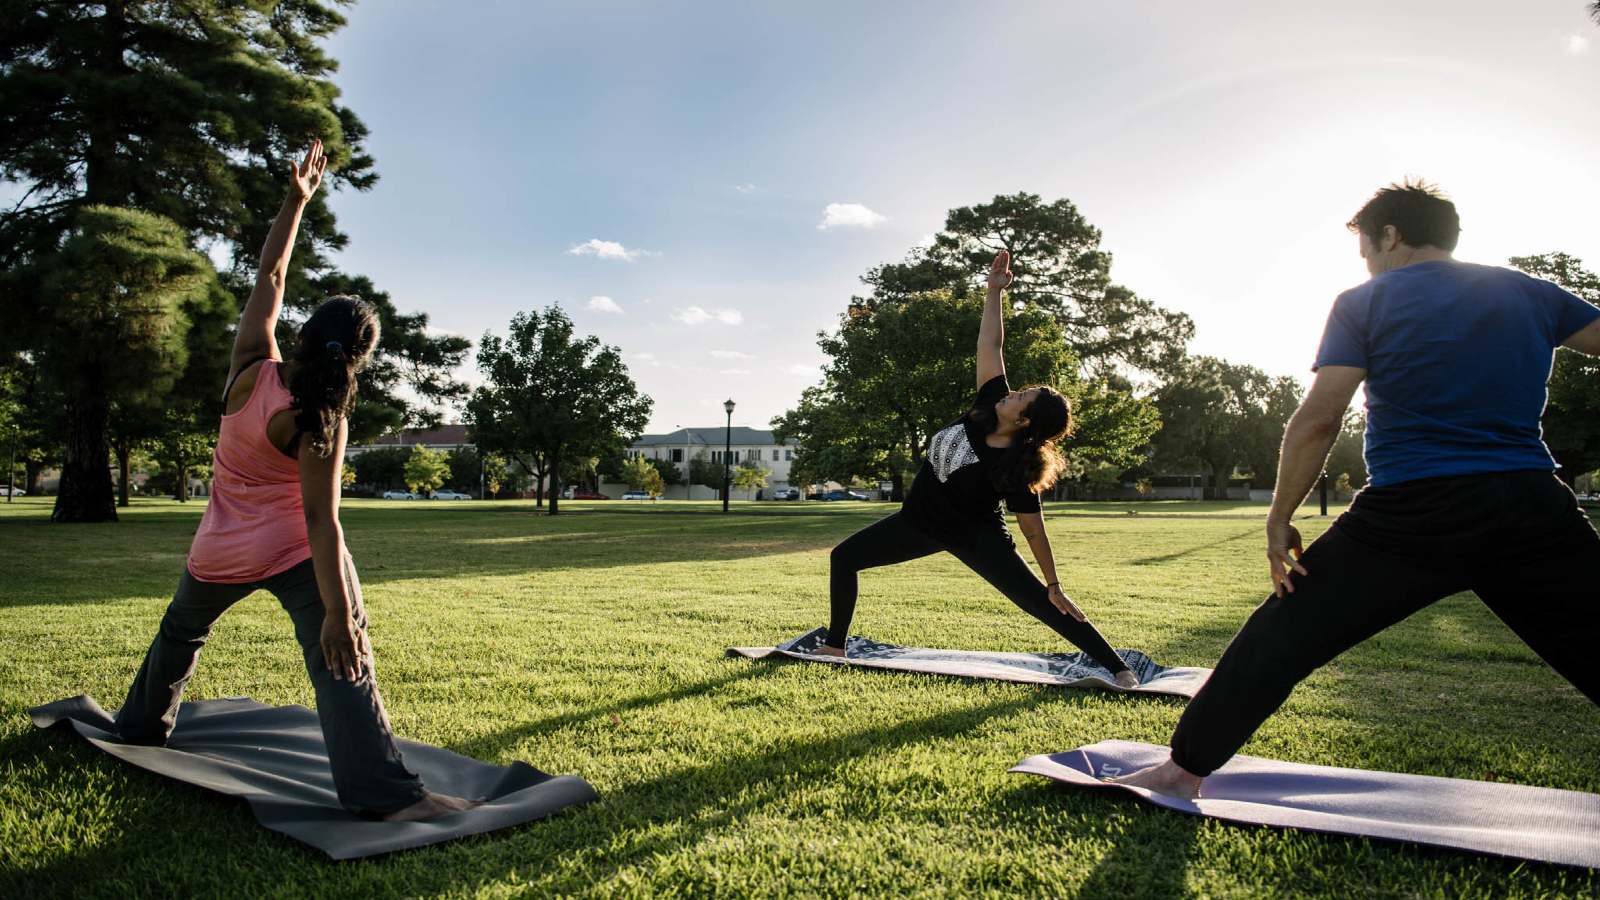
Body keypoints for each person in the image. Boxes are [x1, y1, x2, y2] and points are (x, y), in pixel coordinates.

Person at [1113, 180, 1600, 797]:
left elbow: (1319, 418)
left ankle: (1181, 773)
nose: (1368, 263)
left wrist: (1278, 516)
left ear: (1390, 235)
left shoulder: (1364, 300)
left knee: (1282, 636)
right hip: (1529, 505)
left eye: (1367, 249)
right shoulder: (1531, 292)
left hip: (1409, 515)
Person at [113, 141, 475, 821]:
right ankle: (386, 796)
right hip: (291, 553)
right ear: (359, 359)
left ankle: (138, 727)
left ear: (302, 335)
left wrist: (297, 199)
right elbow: (321, 523)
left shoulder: (250, 366)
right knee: (342, 656)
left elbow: (271, 276)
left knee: (179, 634)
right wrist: (338, 617)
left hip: (216, 550)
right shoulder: (321, 418)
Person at [814, 251, 1140, 689]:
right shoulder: (988, 406)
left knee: (1040, 603)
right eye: (1016, 391)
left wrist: (1054, 582)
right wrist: (993, 292)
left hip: (977, 537)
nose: (1010, 394)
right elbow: (991, 346)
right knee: (844, 558)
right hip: (917, 523)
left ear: (1023, 422)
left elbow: (1033, 530)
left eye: (1018, 399)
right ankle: (836, 646)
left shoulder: (1017, 466)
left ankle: (1118, 668)